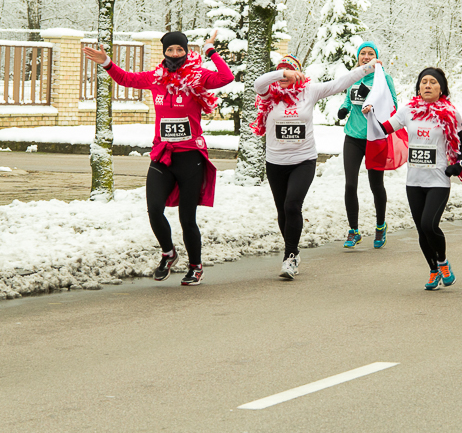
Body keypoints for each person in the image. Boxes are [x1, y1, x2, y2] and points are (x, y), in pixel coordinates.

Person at [82, 31, 234, 285]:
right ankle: (168, 253)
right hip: (162, 156)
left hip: (190, 157)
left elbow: (226, 77)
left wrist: (210, 51)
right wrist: (106, 62)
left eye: (180, 50)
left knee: (187, 219)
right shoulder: (156, 77)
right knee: (154, 209)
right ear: (164, 51)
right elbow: (126, 79)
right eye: (170, 50)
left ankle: (195, 267)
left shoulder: (198, 77)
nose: (175, 54)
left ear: (186, 52)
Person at [251, 55, 379, 279]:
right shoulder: (270, 93)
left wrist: (367, 68)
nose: (285, 75)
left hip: (303, 160)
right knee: (282, 210)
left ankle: (289, 256)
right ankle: (294, 249)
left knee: (292, 205)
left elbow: (340, 83)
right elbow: (257, 82)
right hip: (275, 162)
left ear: (298, 73)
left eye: (290, 70)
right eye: (281, 71)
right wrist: (282, 73)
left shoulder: (309, 91)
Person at [365, 68, 462, 289]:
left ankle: (443, 261)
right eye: (423, 81)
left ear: (441, 88)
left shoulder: (451, 113)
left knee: (429, 224)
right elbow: (384, 129)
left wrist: (458, 165)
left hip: (438, 180)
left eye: (433, 82)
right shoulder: (408, 111)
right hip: (414, 181)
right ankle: (433, 270)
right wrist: (371, 114)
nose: (427, 85)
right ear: (418, 87)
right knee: (421, 229)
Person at [337, 42, 399, 247]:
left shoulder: (384, 78)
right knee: (350, 184)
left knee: (376, 184)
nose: (366, 56)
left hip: (375, 138)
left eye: (370, 53)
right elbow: (348, 100)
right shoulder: (355, 76)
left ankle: (380, 226)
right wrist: (343, 110)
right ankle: (353, 231)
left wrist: (372, 103)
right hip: (353, 137)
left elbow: (393, 106)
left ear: (376, 57)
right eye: (362, 53)